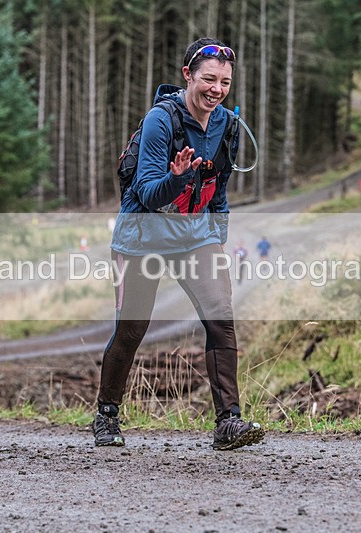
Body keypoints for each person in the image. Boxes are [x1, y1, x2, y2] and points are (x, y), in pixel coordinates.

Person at [93, 37, 265, 451]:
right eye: (209, 79)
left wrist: (218, 238)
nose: (217, 89)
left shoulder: (226, 124)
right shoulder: (160, 121)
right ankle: (107, 414)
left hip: (196, 236)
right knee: (133, 329)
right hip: (143, 236)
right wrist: (178, 177)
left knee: (220, 317)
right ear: (188, 76)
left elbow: (219, 189)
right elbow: (148, 193)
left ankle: (229, 423)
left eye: (224, 82)